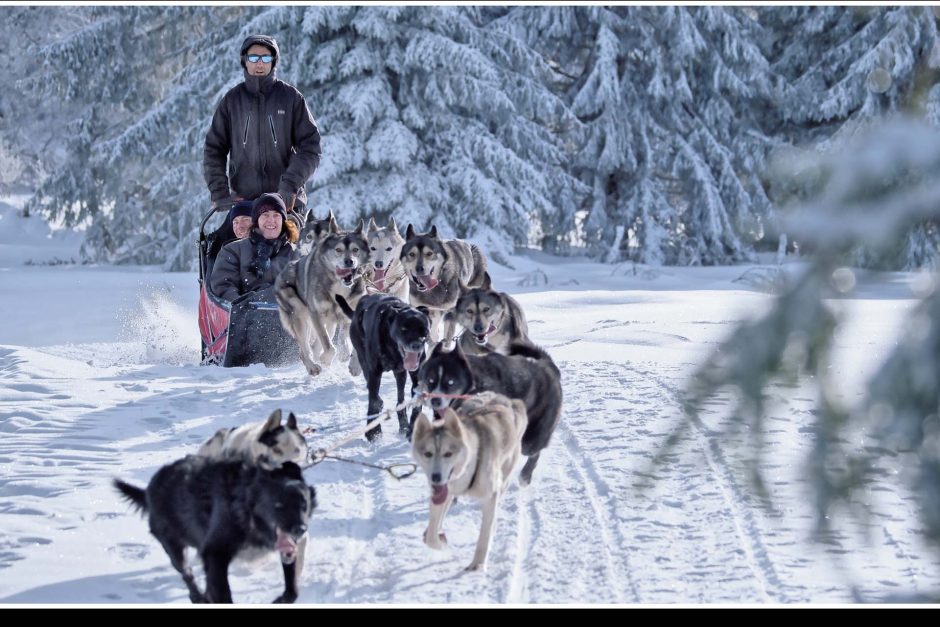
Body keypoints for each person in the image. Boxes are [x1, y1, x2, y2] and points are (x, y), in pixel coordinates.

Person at [203, 34, 321, 216]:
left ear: (273, 61)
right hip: (244, 204)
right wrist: (219, 191)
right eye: (254, 57)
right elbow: (214, 149)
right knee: (222, 236)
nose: (260, 63)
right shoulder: (232, 101)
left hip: (286, 203)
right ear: (244, 61)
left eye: (265, 58)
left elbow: (311, 147)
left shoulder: (290, 98)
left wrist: (290, 185)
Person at [210, 193, 298, 302]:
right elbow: (223, 285)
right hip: (246, 309)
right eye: (265, 214)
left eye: (276, 215)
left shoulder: (296, 254)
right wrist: (241, 305)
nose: (271, 220)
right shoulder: (232, 251)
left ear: (283, 221)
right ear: (257, 221)